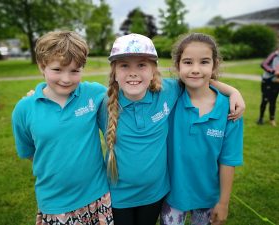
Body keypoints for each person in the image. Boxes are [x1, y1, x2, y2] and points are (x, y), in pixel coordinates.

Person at [99, 33, 245, 225]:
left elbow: (197, 79)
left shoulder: (166, 93)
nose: (133, 72)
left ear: (153, 71)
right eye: (124, 65)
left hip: (154, 196)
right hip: (119, 197)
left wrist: (233, 92)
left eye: (142, 65)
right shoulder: (101, 103)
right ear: (114, 72)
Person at [11, 31, 113, 225]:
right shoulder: (24, 109)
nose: (66, 79)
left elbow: (125, 98)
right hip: (55, 203)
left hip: (98, 195)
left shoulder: (94, 94)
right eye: (57, 70)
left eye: (75, 71)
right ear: (42, 66)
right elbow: (29, 152)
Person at [160, 33, 243, 225]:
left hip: (208, 198)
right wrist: (233, 90)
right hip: (172, 195)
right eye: (188, 62)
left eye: (204, 62)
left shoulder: (231, 111)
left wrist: (223, 203)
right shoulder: (168, 98)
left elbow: (228, 161)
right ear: (178, 66)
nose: (195, 69)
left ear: (214, 64)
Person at [257, 48, 279, 126]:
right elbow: (263, 64)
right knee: (265, 100)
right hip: (267, 81)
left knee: (273, 101)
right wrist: (273, 71)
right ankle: (260, 118)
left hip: (276, 82)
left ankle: (272, 119)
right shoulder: (274, 55)